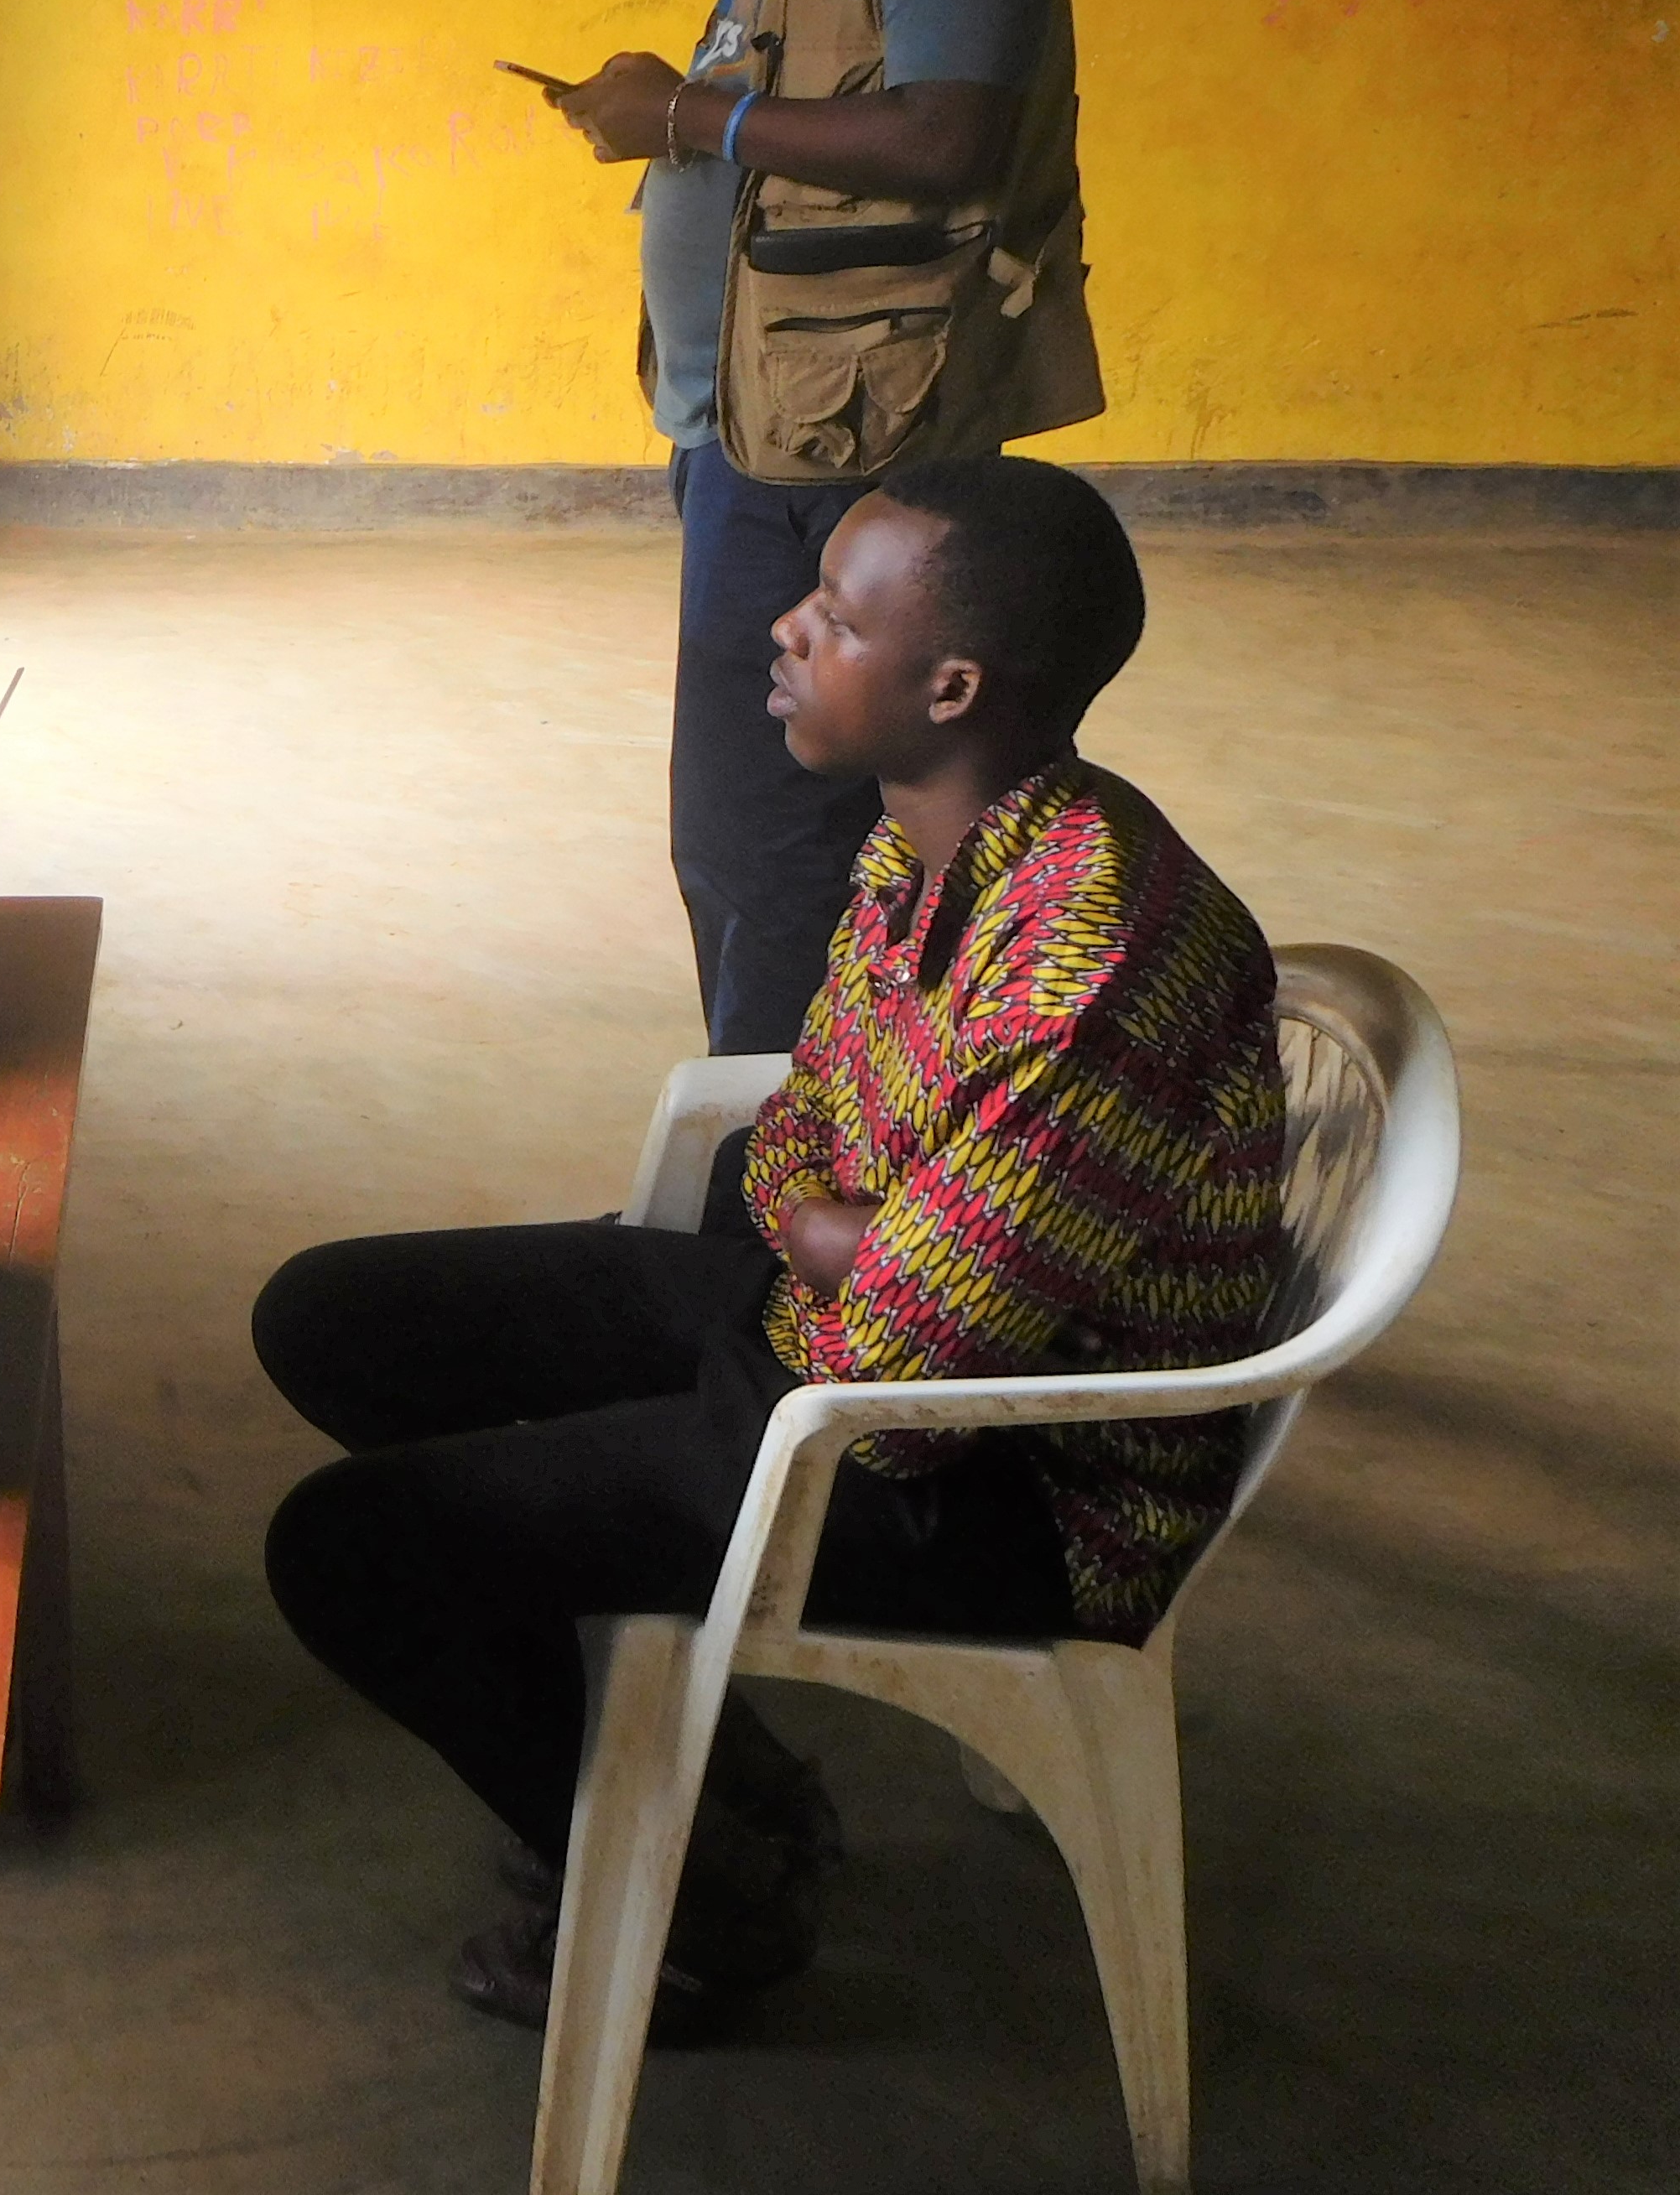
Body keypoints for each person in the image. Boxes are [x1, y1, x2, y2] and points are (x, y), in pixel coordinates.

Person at [254, 457, 1287, 2040]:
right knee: (333, 1320)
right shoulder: (924, 844)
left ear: (947, 683)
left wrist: (840, 1235)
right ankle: (730, 1783)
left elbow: (908, 1360)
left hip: (995, 1477)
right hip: (845, 1354)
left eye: (834, 616)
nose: (786, 633)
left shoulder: (1088, 952)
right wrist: (845, 1229)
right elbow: (792, 1140)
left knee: (345, 1548)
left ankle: (694, 1901)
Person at [528, 0, 1106, 1056]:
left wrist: (683, 119)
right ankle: (799, 1166)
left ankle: (759, 1213)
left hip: (849, 433)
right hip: (772, 416)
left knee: (767, 842)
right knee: (763, 843)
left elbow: (944, 133)